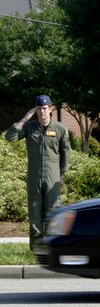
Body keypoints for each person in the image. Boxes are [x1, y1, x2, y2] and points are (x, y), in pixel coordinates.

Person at [5, 95, 70, 250]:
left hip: (52, 176)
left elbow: (65, 153)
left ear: (50, 109)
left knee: (53, 211)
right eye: (39, 108)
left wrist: (61, 176)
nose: (42, 111)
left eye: (45, 108)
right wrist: (25, 118)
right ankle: (36, 248)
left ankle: (53, 246)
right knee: (35, 211)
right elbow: (10, 137)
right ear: (36, 110)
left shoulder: (60, 128)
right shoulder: (30, 127)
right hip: (34, 176)